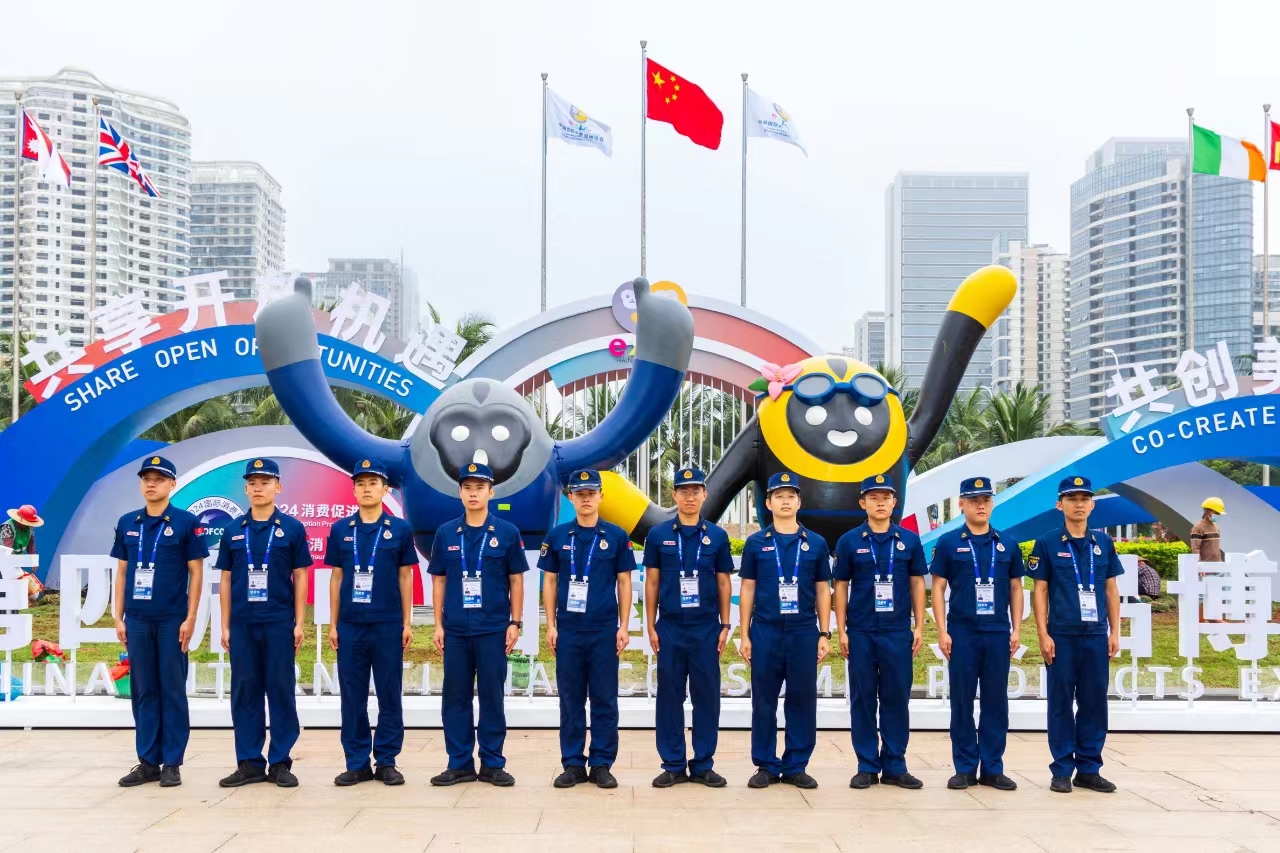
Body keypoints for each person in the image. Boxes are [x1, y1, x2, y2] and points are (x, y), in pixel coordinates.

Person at [428, 462, 528, 788]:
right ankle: (459, 764)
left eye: (480, 488)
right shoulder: (445, 533)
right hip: (456, 630)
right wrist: (438, 624)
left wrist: (515, 622)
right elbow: (439, 581)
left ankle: (492, 763)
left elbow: (516, 581)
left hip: (493, 630)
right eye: (468, 488)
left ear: (491, 492)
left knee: (491, 697)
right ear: (460, 492)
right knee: (455, 698)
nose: (474, 493)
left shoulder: (507, 533)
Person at [111, 456, 208, 788]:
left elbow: (196, 572)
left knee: (172, 689)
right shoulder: (128, 522)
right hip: (137, 620)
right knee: (143, 690)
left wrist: (191, 617)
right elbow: (122, 572)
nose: (151, 484)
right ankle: (148, 761)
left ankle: (172, 762)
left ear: (172, 484)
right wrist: (118, 616)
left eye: (159, 479)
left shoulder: (186, 522)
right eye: (146, 479)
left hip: (171, 620)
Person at [216, 458, 312, 788]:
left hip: (278, 622)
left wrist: (299, 622)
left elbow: (300, 576)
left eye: (265, 482)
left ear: (278, 487)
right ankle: (249, 762)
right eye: (253, 483)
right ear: (245, 488)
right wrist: (225, 625)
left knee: (281, 691)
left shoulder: (292, 529)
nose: (258, 488)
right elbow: (226, 580)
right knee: (245, 693)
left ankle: (280, 762)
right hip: (243, 624)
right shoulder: (233, 530)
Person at [325, 459, 419, 786]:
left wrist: (407, 622)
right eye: (361, 484)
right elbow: (336, 578)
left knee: (389, 694)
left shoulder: (400, 529)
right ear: (354, 490)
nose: (366, 489)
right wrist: (333, 624)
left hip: (387, 624)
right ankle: (356, 762)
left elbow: (405, 577)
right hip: (351, 625)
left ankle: (387, 761)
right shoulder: (341, 530)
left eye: (373, 483)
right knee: (352, 697)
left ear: (385, 489)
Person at [538, 469, 634, 789]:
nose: (586, 499)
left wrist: (624, 626)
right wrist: (551, 625)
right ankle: (573, 763)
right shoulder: (557, 537)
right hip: (569, 631)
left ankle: (602, 763)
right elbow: (550, 582)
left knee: (604, 699)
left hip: (603, 630)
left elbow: (624, 582)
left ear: (601, 496)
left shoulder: (616, 536)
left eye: (591, 493)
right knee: (571, 699)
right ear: (571, 498)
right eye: (580, 494)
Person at [1028, 475, 1123, 795]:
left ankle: (1089, 769)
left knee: (1094, 702)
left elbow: (1111, 589)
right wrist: (1043, 633)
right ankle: (1061, 770)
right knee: (1060, 703)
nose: (1079, 504)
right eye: (1072, 499)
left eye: (1084, 499)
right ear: (1060, 505)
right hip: (1062, 635)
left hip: (1096, 635)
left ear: (1092, 504)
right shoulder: (1047, 543)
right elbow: (1040, 590)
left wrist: (1115, 631)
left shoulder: (1104, 543)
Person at [929, 476, 1024, 792]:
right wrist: (942, 631)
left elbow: (1016, 588)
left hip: (997, 632)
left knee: (996, 702)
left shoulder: (1007, 543)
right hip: (962, 632)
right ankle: (965, 768)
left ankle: (993, 768)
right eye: (973, 500)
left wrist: (1016, 629)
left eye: (985, 500)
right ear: (962, 504)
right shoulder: (948, 542)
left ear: (992, 503)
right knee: (962, 701)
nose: (980, 505)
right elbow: (938, 588)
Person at [833, 474, 927, 791]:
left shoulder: (909, 541)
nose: (880, 502)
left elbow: (917, 583)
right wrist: (841, 629)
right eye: (873, 497)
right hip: (861, 631)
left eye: (886, 497)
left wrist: (919, 625)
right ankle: (866, 766)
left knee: (896, 698)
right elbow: (840, 586)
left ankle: (895, 765)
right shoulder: (849, 541)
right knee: (862, 699)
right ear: (863, 503)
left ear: (894, 502)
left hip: (897, 631)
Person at [642, 466, 734, 789]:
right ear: (675, 495)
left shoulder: (717, 537)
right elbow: (652, 582)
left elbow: (724, 583)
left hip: (706, 628)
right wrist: (650, 625)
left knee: (706, 696)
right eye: (684, 491)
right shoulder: (658, 535)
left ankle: (703, 764)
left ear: (704, 495)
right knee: (669, 697)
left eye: (696, 491)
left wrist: (725, 625)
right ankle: (673, 764)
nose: (690, 496)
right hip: (670, 627)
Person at [739, 471, 832, 790]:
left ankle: (796, 765)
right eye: (779, 496)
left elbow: (823, 590)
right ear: (768, 503)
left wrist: (824, 633)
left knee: (802, 698)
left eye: (791, 496)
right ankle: (765, 764)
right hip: (766, 630)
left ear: (799, 502)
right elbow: (748, 588)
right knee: (763, 700)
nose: (785, 501)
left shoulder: (815, 543)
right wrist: (745, 634)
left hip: (803, 631)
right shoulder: (756, 543)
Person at [1191, 497, 1224, 563]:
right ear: (1207, 511)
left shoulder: (1216, 526)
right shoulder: (1198, 527)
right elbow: (1195, 549)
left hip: (1218, 565)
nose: (1217, 515)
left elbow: (1215, 548)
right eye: (1216, 512)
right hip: (1205, 566)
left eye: (1219, 513)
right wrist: (1199, 565)